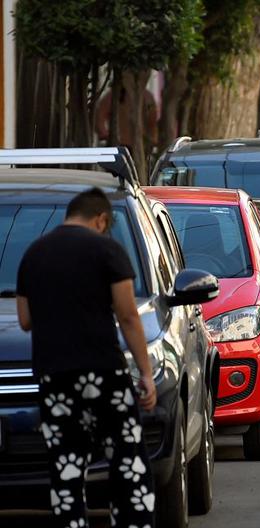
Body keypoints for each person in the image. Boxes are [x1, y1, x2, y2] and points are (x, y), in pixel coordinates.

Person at [16, 188, 157, 527]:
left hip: (56, 375)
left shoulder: (34, 254)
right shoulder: (108, 250)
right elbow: (127, 316)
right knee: (127, 460)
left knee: (66, 465)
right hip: (104, 371)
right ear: (101, 219)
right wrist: (146, 373)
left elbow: (25, 321)